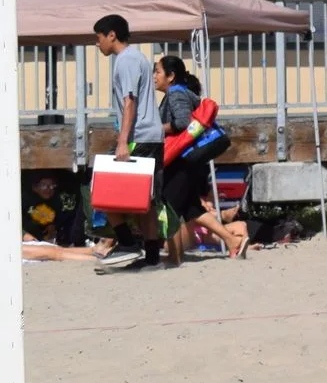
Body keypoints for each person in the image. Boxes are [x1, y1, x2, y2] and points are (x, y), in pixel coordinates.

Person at [92, 14, 166, 272]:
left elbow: (129, 101)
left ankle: (127, 242)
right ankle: (151, 257)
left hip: (139, 137)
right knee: (145, 199)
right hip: (149, 136)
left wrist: (123, 141)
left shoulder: (125, 61)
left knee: (102, 188)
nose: (97, 43)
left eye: (98, 37)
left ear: (111, 35)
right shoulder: (137, 58)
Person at [156, 54, 246, 263]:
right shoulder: (178, 92)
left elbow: (181, 123)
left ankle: (174, 256)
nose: (154, 76)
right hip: (189, 159)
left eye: (158, 72)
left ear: (171, 76)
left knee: (169, 204)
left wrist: (154, 130)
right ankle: (231, 241)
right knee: (190, 208)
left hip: (183, 159)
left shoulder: (175, 94)